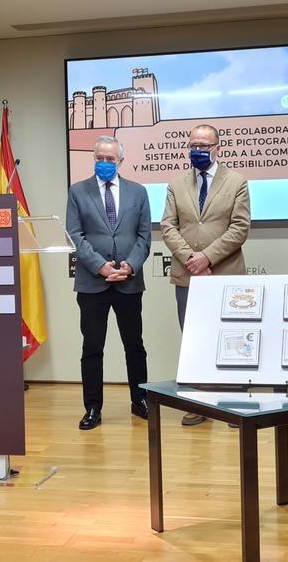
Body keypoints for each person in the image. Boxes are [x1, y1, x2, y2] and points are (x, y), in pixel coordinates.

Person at [160, 123, 251, 426]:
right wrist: (190, 258)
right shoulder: (176, 184)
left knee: (232, 339)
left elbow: (240, 228)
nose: (197, 150)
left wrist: (207, 257)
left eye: (204, 145)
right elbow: (168, 227)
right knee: (195, 340)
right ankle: (200, 402)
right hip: (188, 276)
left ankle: (234, 402)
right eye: (193, 145)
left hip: (225, 275)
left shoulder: (237, 181)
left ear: (217, 148)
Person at [66, 136, 152, 430]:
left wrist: (129, 266)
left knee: (135, 345)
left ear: (120, 161)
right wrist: (101, 267)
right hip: (93, 283)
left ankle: (139, 400)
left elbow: (144, 237)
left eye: (110, 159)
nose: (104, 163)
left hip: (129, 282)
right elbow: (75, 235)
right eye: (99, 158)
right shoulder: (78, 191)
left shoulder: (138, 192)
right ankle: (92, 407)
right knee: (92, 347)